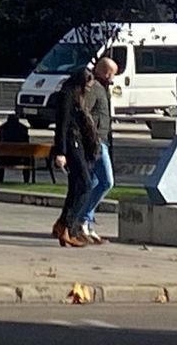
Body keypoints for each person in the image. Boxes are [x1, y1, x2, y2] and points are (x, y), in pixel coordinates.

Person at [51, 68, 101, 246]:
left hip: (78, 142)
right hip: (71, 144)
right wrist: (61, 152)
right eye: (86, 86)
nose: (87, 90)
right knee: (86, 184)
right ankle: (67, 226)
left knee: (76, 187)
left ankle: (63, 225)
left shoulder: (76, 96)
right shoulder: (66, 96)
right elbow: (62, 125)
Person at [74, 55, 118, 244]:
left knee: (93, 182)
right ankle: (82, 219)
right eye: (112, 74)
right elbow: (84, 113)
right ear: (105, 72)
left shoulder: (102, 89)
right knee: (106, 181)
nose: (113, 78)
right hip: (95, 142)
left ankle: (85, 223)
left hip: (101, 141)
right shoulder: (94, 89)